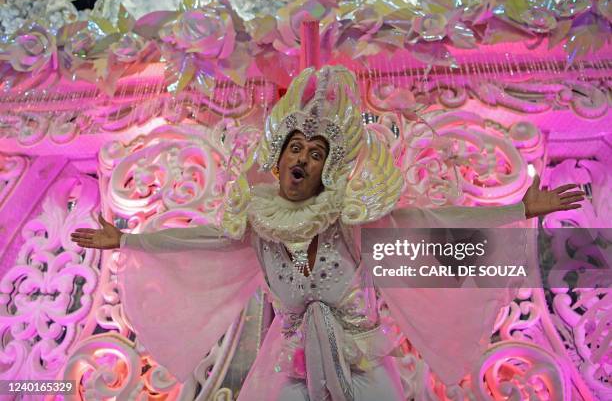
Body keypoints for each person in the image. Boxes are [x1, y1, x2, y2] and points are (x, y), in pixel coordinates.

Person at [71, 66, 584, 400]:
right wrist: (126, 240)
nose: (303, 158)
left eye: (316, 153)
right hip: (286, 371)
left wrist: (517, 209)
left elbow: (431, 234)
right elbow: (200, 244)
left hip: (362, 367)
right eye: (296, 148)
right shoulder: (257, 220)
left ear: (326, 169)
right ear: (279, 158)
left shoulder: (353, 220)